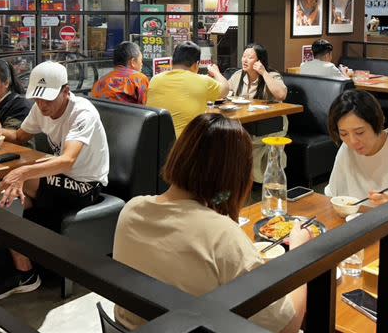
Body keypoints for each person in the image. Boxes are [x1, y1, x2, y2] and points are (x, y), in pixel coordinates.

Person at [113, 113, 308, 332]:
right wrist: (300, 253)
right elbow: (287, 325)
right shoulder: (220, 234)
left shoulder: (131, 210)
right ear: (234, 175)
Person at [0, 61, 110, 300]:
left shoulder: (82, 113)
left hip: (86, 186)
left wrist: (22, 173)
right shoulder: (39, 108)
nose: (42, 105)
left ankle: (24, 272)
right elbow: (19, 136)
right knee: (9, 194)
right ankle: (20, 261)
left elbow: (67, 161)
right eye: (37, 99)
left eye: (48, 99)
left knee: (17, 183)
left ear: (66, 91)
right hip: (59, 179)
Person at [324, 90, 388, 205]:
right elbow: (332, 196)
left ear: (377, 123)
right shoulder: (346, 149)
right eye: (344, 134)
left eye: (359, 132)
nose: (352, 141)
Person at [228, 43, 289, 181]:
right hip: (246, 123)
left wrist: (263, 73)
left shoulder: (272, 75)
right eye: (243, 56)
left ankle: (254, 180)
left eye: (249, 57)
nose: (244, 60)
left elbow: (281, 95)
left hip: (270, 124)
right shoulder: (238, 76)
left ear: (259, 60)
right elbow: (225, 91)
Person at [146, 41, 229, 137]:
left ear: (173, 61)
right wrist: (216, 72)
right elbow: (225, 89)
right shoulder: (203, 81)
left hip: (156, 143)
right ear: (196, 64)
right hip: (186, 145)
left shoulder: (155, 79)